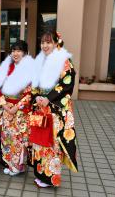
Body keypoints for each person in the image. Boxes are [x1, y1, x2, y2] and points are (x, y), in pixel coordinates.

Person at [30, 31, 78, 187]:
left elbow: (66, 83)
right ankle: (40, 174)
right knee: (40, 141)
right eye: (43, 42)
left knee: (51, 143)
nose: (45, 45)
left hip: (54, 109)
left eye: (48, 42)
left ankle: (50, 178)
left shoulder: (64, 61)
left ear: (56, 43)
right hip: (41, 108)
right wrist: (36, 96)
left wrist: (48, 98)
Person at [0, 40, 34, 176]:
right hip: (7, 109)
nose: (15, 53)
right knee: (7, 138)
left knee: (19, 139)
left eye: (19, 50)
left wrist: (16, 107)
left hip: (20, 111)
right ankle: (10, 164)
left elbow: (30, 93)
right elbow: (0, 90)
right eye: (13, 50)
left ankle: (18, 166)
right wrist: (4, 104)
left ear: (25, 53)